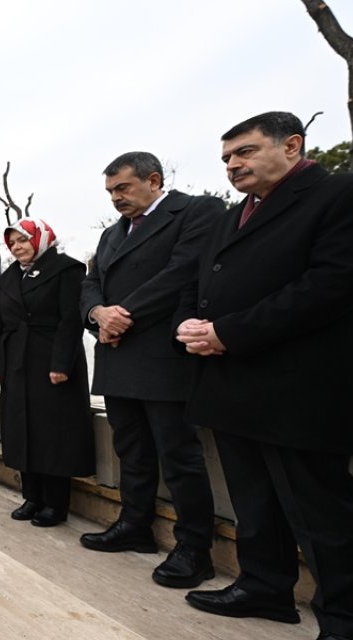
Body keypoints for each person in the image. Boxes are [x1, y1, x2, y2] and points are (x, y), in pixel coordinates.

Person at [176, 112, 353, 640]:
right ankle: (265, 587)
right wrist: (190, 322)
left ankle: (349, 622)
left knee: (321, 514)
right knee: (254, 503)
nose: (233, 165)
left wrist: (230, 332)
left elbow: (328, 288)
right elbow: (203, 280)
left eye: (244, 152)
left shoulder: (350, 196)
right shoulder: (234, 216)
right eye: (227, 157)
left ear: (292, 145)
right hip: (231, 384)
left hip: (300, 389)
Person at [80, 151, 220, 589]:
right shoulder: (111, 235)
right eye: (110, 192)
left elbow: (182, 272)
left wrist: (124, 314)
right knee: (132, 451)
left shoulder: (195, 211)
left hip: (163, 354)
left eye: (123, 188)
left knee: (179, 456)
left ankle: (195, 548)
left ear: (153, 179)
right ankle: (134, 525)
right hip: (116, 352)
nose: (116, 199)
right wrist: (99, 314)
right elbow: (90, 281)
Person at [0, 218, 94, 528]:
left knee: (51, 431)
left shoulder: (66, 269)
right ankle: (31, 496)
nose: (17, 247)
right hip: (16, 360)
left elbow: (71, 320)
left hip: (50, 360)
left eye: (23, 240)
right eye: (13, 242)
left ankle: (55, 503)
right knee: (21, 428)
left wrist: (61, 364)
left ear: (41, 239)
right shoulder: (9, 276)